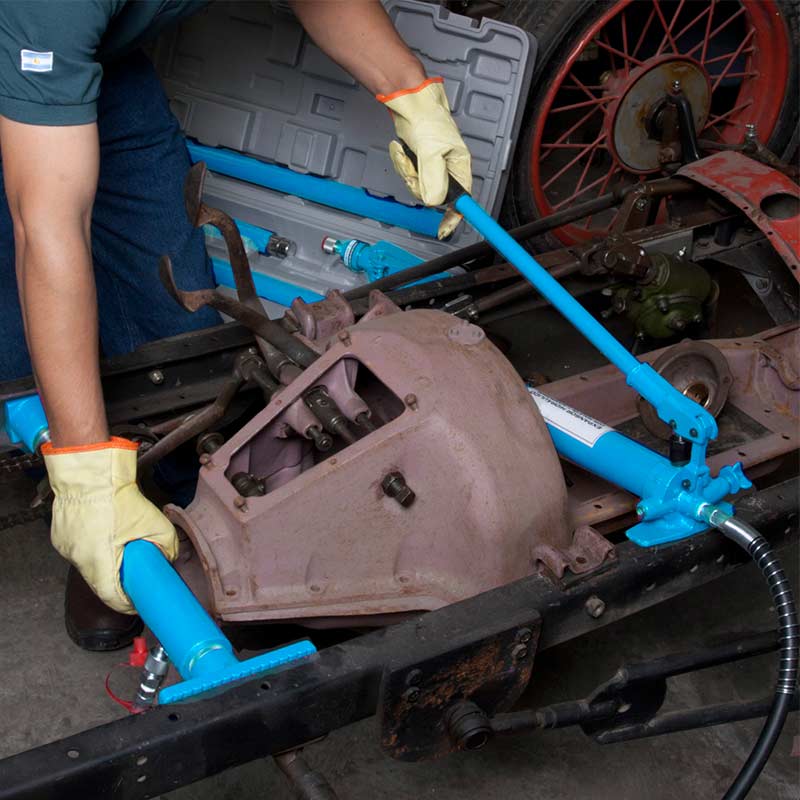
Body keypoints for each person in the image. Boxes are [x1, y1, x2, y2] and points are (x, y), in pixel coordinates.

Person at [0, 0, 472, 650]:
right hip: (31, 44)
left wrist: (409, 91)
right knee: (22, 311)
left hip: (89, 61)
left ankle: (198, 506)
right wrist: (85, 476)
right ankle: (83, 511)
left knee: (173, 306)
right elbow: (46, 228)